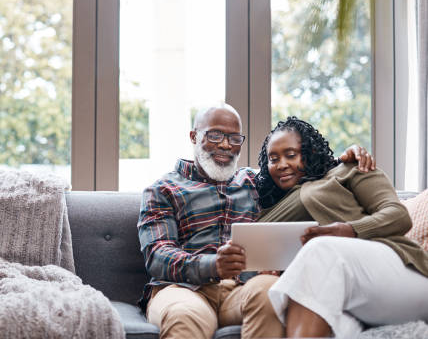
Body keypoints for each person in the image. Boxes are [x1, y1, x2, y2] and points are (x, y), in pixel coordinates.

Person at [137, 105, 374, 339]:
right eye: (215, 135)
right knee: (185, 315)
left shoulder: (256, 181)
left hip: (243, 289)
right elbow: (158, 255)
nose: (225, 145)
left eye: (234, 138)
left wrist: (347, 159)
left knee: (271, 292)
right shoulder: (162, 189)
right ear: (194, 136)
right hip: (183, 290)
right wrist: (213, 265)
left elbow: (306, 173)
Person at [256, 116, 428, 338]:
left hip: (401, 274)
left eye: (291, 155)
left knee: (320, 249)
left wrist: (350, 230)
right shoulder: (271, 205)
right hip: (345, 295)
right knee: (293, 293)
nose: (281, 164)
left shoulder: (349, 169)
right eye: (273, 159)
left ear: (310, 152)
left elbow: (398, 216)